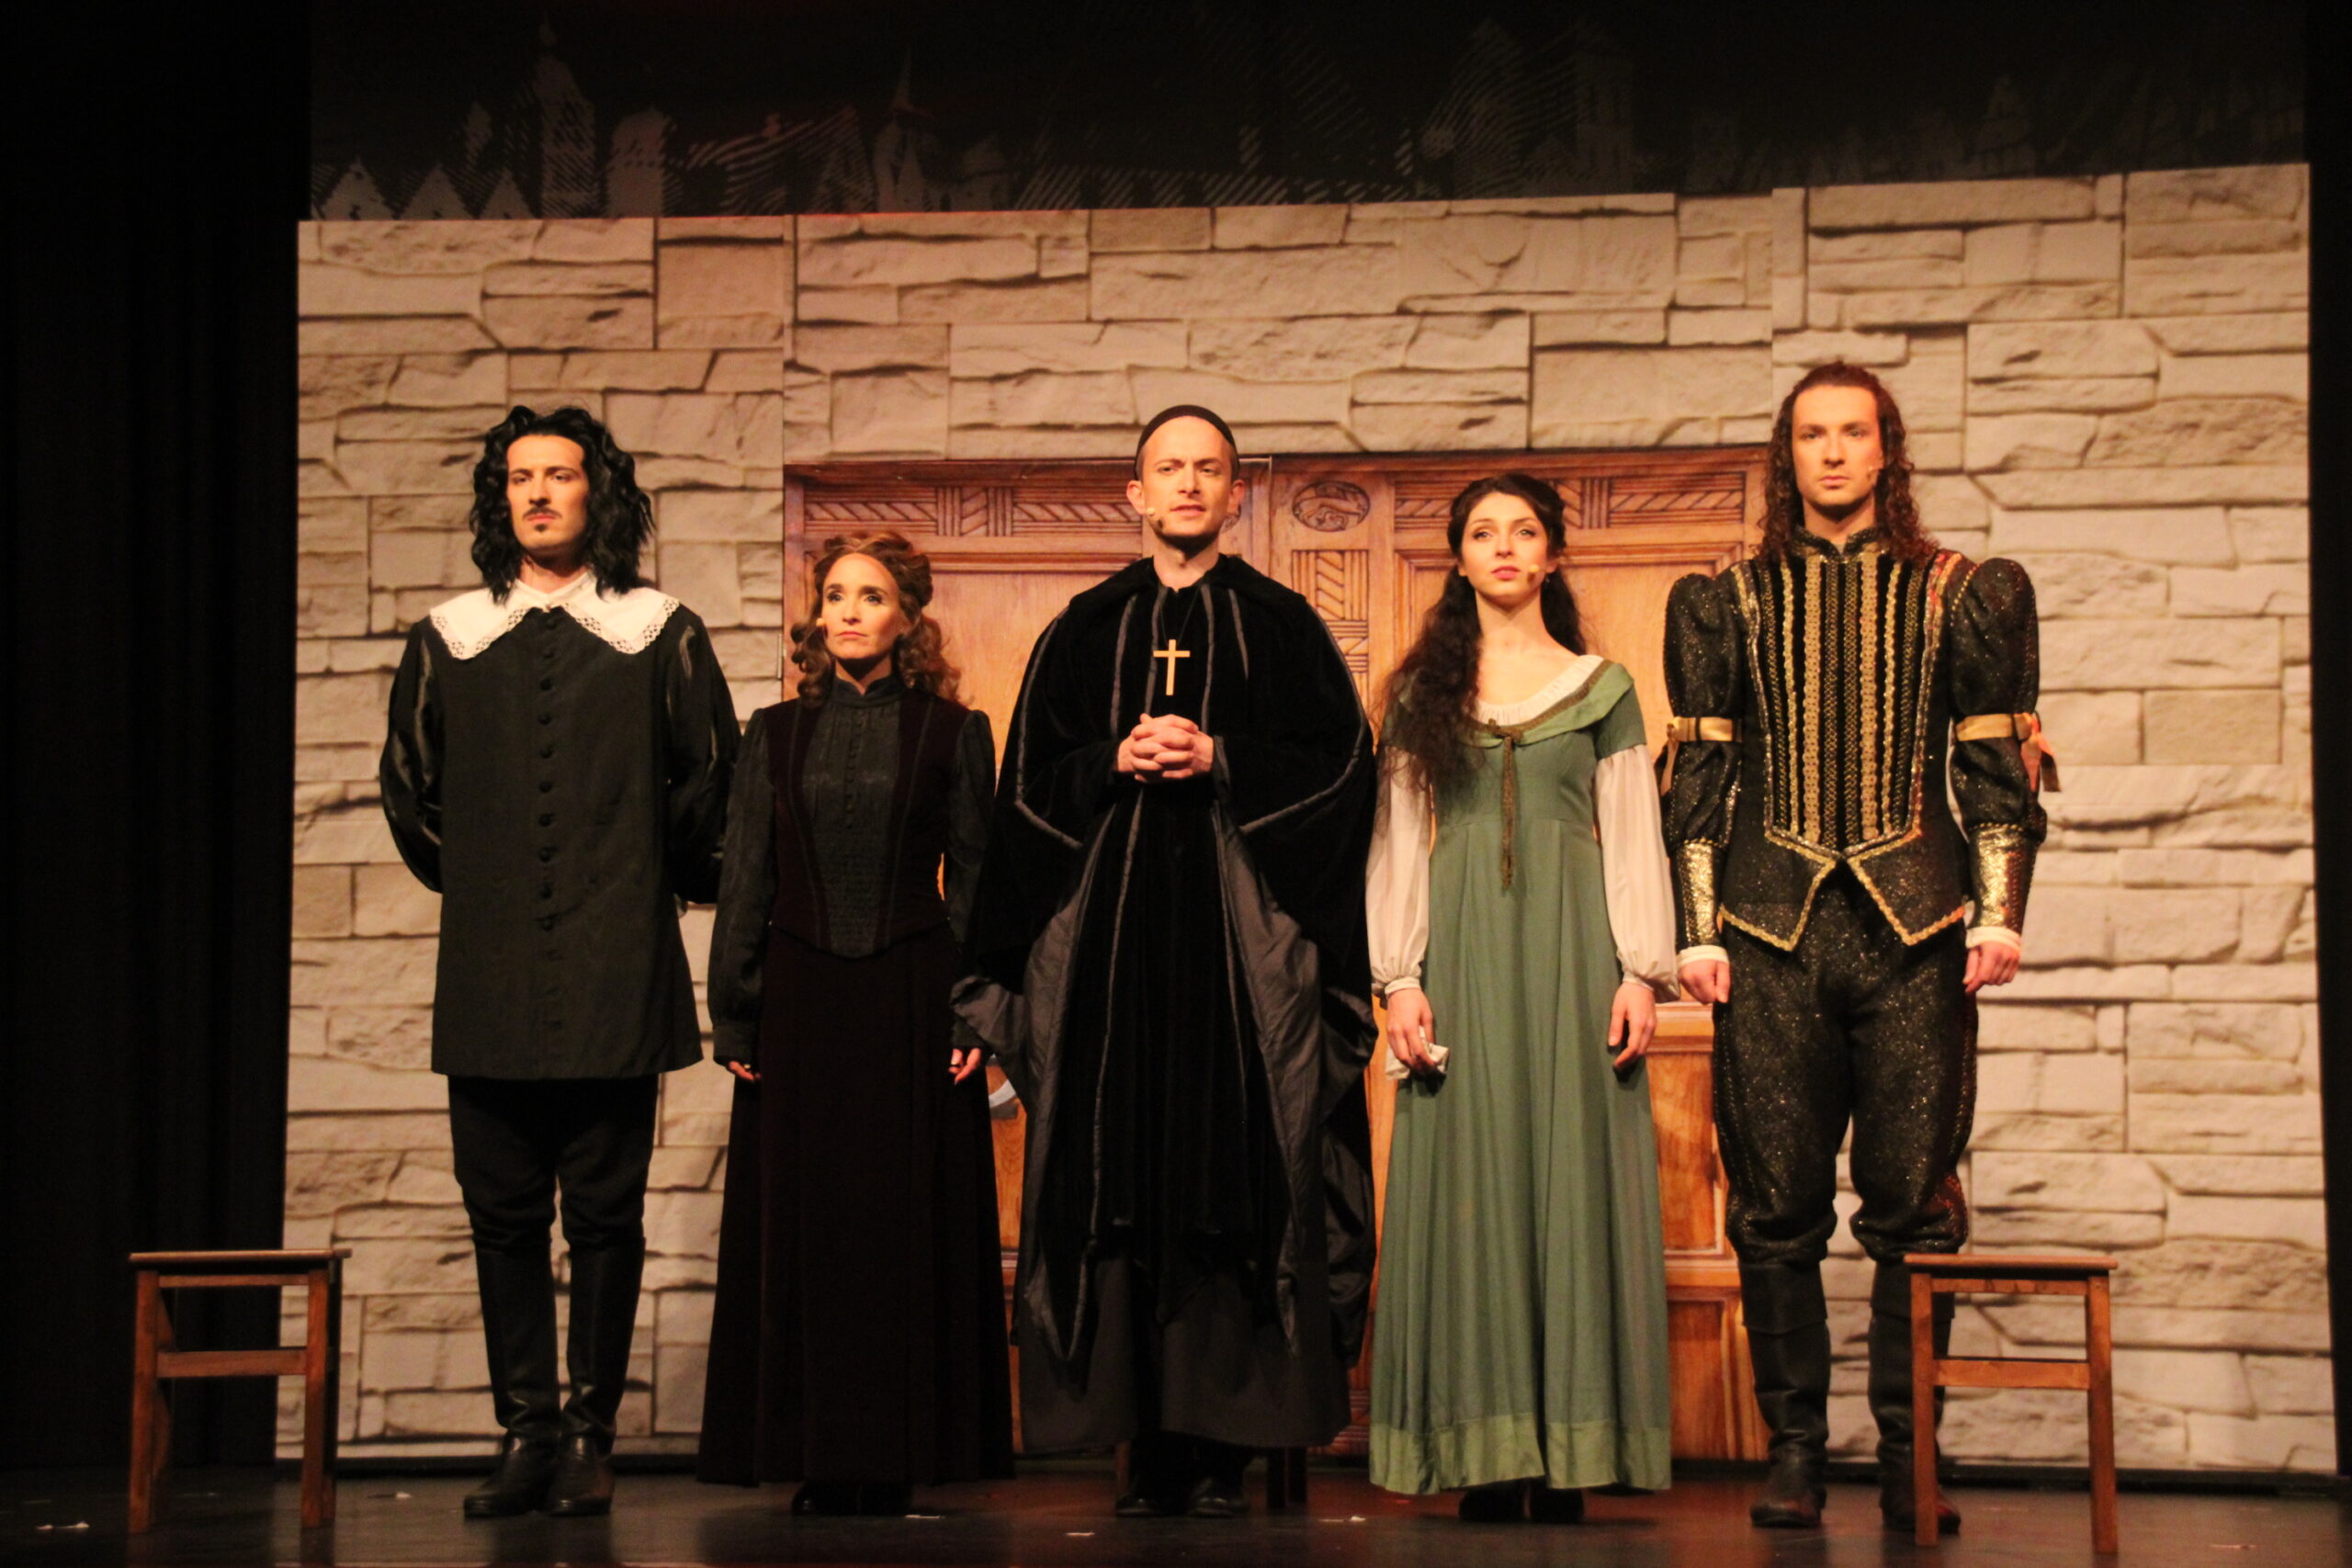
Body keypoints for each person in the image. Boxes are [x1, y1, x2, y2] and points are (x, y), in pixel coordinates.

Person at [958, 405, 1378, 1518]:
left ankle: (1222, 1437)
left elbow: (1344, 772)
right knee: (1121, 1171)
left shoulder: (1281, 625)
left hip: (1241, 961)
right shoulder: (1084, 628)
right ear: (1134, 494)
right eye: (1168, 468)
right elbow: (1026, 787)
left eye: (1209, 469)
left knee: (1229, 1172)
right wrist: (1113, 756)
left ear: (1237, 494)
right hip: (1112, 955)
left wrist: (1223, 755)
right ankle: (1139, 1435)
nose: (1188, 485)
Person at [1662, 363, 2047, 1535]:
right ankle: (1793, 1454)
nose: (1832, 452)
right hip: (1767, 931)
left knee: (1913, 1207)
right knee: (1773, 1206)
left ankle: (1906, 1458)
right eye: (1811, 434)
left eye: (1853, 431)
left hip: (1914, 931)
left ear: (1887, 450)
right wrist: (1695, 930)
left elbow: (1997, 766)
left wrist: (1999, 910)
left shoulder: (1961, 591)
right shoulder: (1727, 598)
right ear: (1787, 455)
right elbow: (1699, 775)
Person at [379, 405, 740, 1518]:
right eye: (520, 477)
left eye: (561, 475)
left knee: (603, 1216)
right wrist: (488, 887)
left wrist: (638, 876)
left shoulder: (658, 628)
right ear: (501, 499)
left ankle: (589, 1436)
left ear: (599, 493)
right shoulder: (448, 635)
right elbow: (410, 792)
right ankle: (526, 1434)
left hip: (614, 968)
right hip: (488, 973)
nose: (538, 493)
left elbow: (711, 780)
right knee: (500, 1216)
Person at [1366, 474, 1677, 1522]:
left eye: (1525, 531)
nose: (1504, 547)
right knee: (1472, 1186)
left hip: (1574, 955)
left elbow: (1631, 830)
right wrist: (1400, 979)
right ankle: (1485, 1450)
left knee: (1571, 1181)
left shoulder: (1602, 688)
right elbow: (1399, 837)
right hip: (1459, 956)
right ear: (1459, 558)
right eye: (1483, 533)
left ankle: (1571, 1448)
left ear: (1551, 554)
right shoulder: (1423, 696)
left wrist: (1638, 969)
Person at [695, 532, 1013, 1513]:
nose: (848, 611)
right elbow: (747, 879)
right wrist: (736, 1016)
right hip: (799, 1003)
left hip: (912, 999)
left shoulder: (952, 731)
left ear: (907, 616)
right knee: (810, 1225)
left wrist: (977, 1011)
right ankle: (815, 1451)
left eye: (871, 596)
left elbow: (980, 882)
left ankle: (897, 1451)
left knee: (898, 1226)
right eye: (835, 594)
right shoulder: (772, 734)